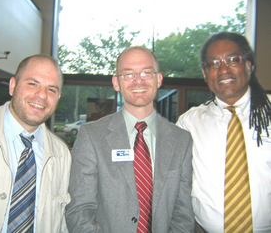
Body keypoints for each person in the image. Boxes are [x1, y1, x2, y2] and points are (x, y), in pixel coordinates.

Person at [66, 46, 195, 232]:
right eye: (128, 74)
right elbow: (79, 211)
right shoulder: (92, 137)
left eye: (146, 73)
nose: (138, 81)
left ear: (158, 79)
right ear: (116, 83)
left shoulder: (181, 141)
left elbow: (183, 214)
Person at [0, 54, 72, 232]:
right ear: (13, 86)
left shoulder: (62, 155)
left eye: (51, 89)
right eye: (33, 84)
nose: (41, 95)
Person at [176, 32, 271, 232]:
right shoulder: (188, 123)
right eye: (213, 64)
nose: (223, 69)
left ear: (248, 66)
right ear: (204, 73)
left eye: (232, 60)